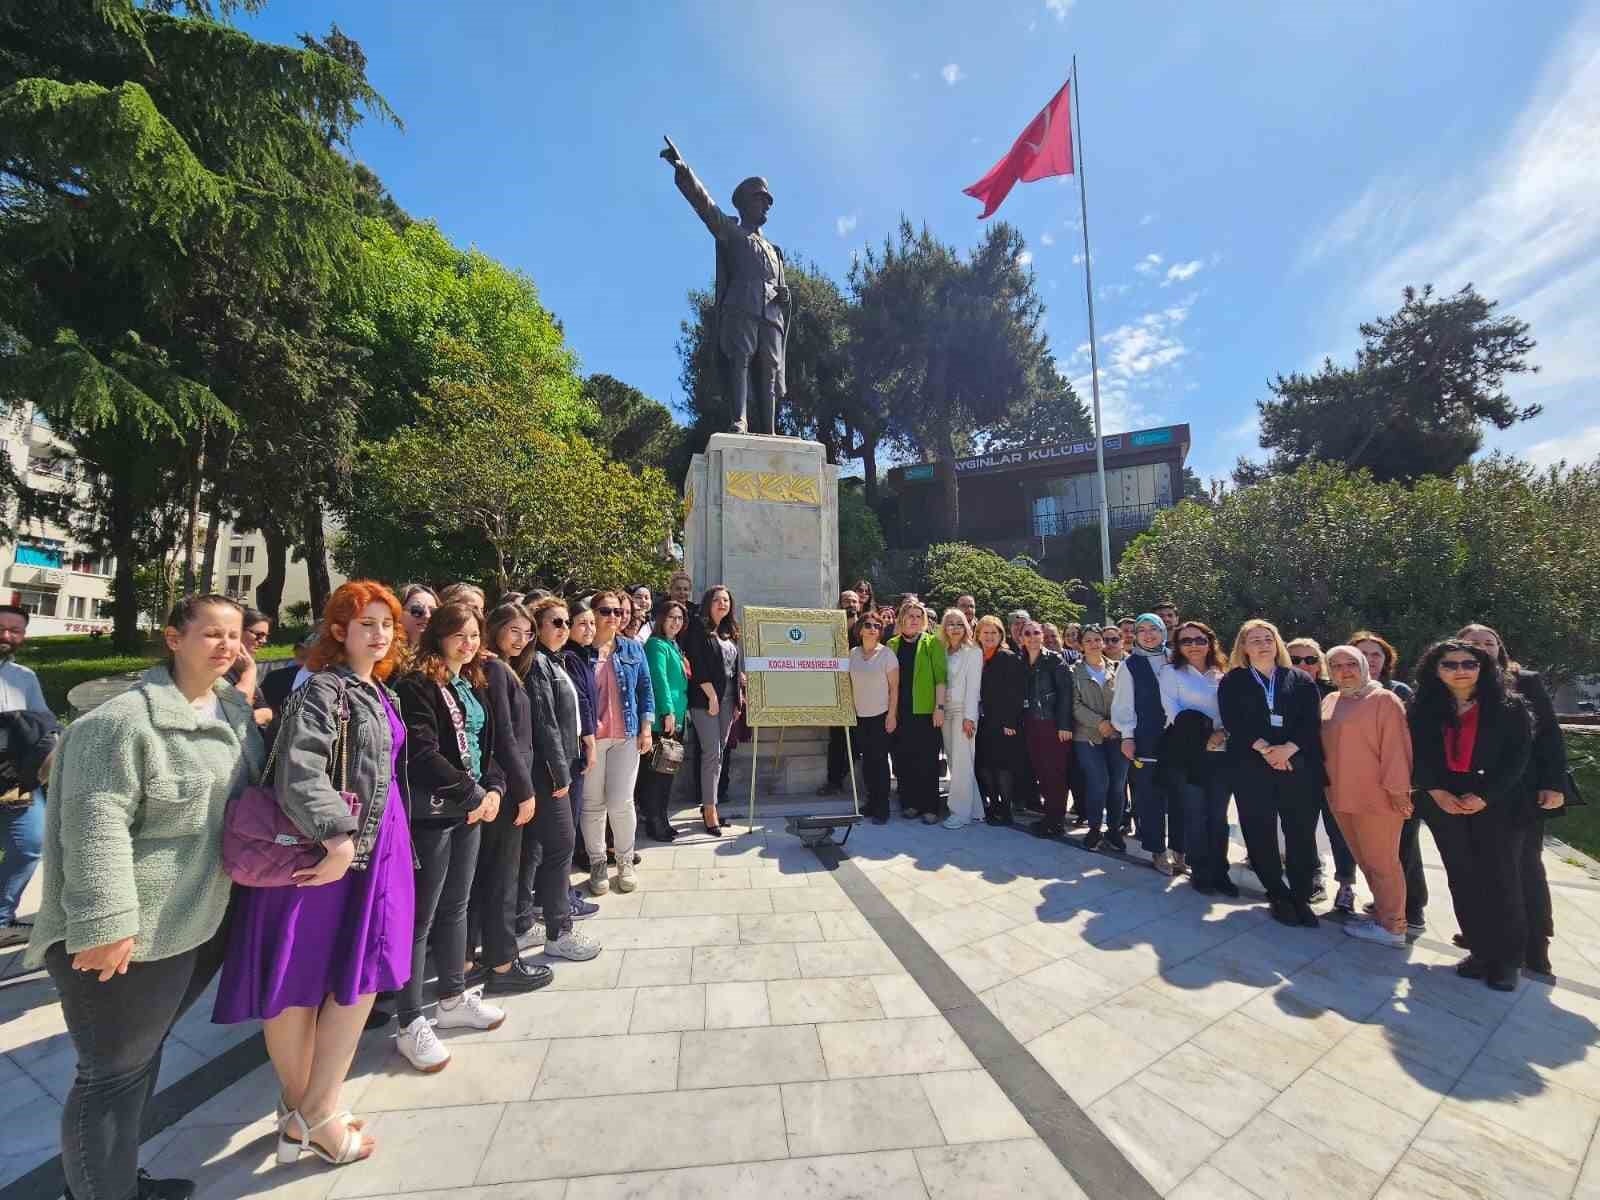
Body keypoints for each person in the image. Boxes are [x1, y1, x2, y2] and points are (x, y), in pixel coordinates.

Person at [28, 596, 264, 1198]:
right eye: (210, 633)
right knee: (110, 1075)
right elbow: (91, 827)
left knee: (139, 1064)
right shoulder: (117, 724)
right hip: (127, 937)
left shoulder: (235, 713)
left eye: (234, 636)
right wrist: (106, 925)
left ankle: (115, 1180)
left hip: (195, 923)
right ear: (172, 638)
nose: (225, 646)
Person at [215, 582, 414, 1165]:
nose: (379, 635)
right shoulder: (323, 690)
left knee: (356, 973)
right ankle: (313, 1111)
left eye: (386, 624)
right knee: (301, 980)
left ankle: (306, 1110)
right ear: (338, 630)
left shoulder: (376, 690)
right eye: (366, 624)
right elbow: (299, 772)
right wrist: (335, 839)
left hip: (374, 845)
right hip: (334, 849)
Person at [393, 604, 508, 1072]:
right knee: (420, 917)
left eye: (474, 634)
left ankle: (452, 997)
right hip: (435, 813)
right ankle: (408, 1021)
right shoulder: (417, 684)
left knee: (456, 906)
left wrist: (495, 787)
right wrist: (472, 792)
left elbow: (488, 745)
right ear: (438, 637)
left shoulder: (473, 683)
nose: (468, 642)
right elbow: (421, 752)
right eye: (458, 635)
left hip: (471, 811)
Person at [1410, 639, 1533, 991]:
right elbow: (1416, 754)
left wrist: (1484, 797)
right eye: (1450, 664)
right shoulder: (1422, 707)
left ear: (1482, 667)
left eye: (1468, 663)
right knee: (1462, 878)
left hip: (1497, 805)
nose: (1459, 670)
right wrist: (1436, 792)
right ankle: (1479, 950)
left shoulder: (1509, 706)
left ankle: (1507, 961)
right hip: (1445, 803)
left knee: (1501, 881)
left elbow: (1517, 759)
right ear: (1435, 669)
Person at [1458, 623, 1567, 975]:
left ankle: (1535, 945)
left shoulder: (1525, 681)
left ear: (1499, 648)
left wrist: (1553, 783)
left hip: (1520, 791)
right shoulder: (1455, 682)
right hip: (1473, 794)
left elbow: (1549, 734)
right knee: (1486, 869)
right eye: (1471, 642)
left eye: (1488, 642)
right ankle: (1493, 936)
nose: (1480, 647)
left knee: (1524, 869)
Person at [1219, 619, 1326, 928]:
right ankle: (1277, 893)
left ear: (1277, 643)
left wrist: (1287, 749)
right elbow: (1233, 721)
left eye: (1268, 638)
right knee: (1259, 829)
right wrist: (1267, 750)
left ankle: (1301, 895)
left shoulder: (1299, 680)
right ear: (1244, 648)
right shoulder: (1233, 681)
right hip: (1251, 765)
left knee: (1300, 833)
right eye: (1254, 640)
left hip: (1296, 765)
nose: (1263, 644)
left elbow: (1311, 723)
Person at [1320, 645, 1414, 948]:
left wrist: (1399, 792)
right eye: (1336, 665)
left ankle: (1394, 927)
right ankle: (1382, 915)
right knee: (1365, 860)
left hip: (1377, 797)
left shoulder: (1383, 700)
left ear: (1363, 666)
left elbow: (1396, 749)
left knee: (1383, 862)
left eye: (1351, 664)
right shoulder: (1331, 700)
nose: (1344, 671)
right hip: (1340, 794)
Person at [518, 597, 600, 943]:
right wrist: (560, 773)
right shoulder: (537, 664)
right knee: (561, 846)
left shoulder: (555, 661)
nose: (564, 629)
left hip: (562, 763)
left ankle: (524, 922)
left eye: (567, 622)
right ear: (537, 626)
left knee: (539, 847)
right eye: (557, 622)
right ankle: (560, 931)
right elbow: (545, 724)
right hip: (553, 771)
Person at [1350, 629, 1425, 933]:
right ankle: (1388, 904)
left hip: (1397, 784)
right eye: (1362, 655)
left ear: (1387, 659)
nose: (1370, 660)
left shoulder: (1399, 693)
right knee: (1376, 851)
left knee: (1403, 847)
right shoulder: (1346, 693)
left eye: (1376, 654)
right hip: (1361, 786)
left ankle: (1412, 910)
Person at [581, 590, 655, 881]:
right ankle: (598, 861)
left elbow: (645, 690)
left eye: (617, 611)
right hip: (592, 739)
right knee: (593, 804)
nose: (613, 616)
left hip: (627, 734)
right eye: (605, 611)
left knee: (621, 802)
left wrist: (647, 727)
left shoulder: (633, 649)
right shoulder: (578, 652)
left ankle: (625, 861)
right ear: (593, 613)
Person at [1160, 621, 1235, 894]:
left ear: (1210, 642)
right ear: (1178, 646)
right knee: (1195, 814)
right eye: (1186, 640)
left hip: (1222, 752)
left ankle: (1220, 872)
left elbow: (1234, 710)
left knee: (1218, 816)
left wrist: (1223, 732)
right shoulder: (1171, 672)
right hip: (1188, 753)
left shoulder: (1224, 672)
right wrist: (1208, 734)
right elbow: (1173, 712)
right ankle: (1201, 870)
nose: (1193, 645)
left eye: (1199, 640)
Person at [1286, 637, 1357, 910]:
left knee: (1338, 830)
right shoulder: (1281, 691)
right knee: (1303, 829)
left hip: (1335, 772)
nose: (1303, 665)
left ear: (1321, 663)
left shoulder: (1336, 692)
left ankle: (1346, 886)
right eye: (1295, 659)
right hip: (1298, 772)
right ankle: (1312, 877)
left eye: (1310, 659)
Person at [0, 604, 53, 948]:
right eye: (1, 628)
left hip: (13, 778)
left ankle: (2, 919)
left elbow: (43, 723)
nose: (6, 636)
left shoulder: (24, 677)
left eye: (14, 631)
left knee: (30, 843)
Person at [1112, 614, 1182, 873]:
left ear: (1164, 631)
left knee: (1178, 796)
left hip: (1178, 738)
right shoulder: (1130, 665)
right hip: (1146, 737)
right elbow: (1123, 704)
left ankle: (1180, 850)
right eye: (1142, 630)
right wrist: (1127, 736)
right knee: (1151, 797)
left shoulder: (1176, 658)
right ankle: (1157, 851)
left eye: (1154, 629)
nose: (1149, 634)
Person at [679, 586, 741, 836]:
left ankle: (710, 803)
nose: (722, 604)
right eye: (717, 600)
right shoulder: (698, 629)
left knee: (720, 753)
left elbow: (735, 667)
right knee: (711, 754)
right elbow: (697, 664)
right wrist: (712, 695)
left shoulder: (729, 632)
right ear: (708, 603)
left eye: (726, 600)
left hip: (728, 701)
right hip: (706, 700)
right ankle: (709, 810)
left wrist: (738, 699)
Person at [889, 602, 948, 823]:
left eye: (918, 616)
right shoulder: (892, 644)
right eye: (910, 615)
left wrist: (939, 708)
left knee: (928, 760)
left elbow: (941, 679)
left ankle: (930, 807)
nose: (914, 620)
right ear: (902, 618)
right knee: (904, 759)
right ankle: (910, 803)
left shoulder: (933, 643)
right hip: (900, 711)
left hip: (926, 711)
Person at [1072, 626, 1127, 852]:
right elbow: (1074, 704)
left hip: (1117, 734)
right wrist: (1099, 722)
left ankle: (1114, 829)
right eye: (1089, 640)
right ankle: (1094, 828)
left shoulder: (1118, 669)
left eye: (1098, 639)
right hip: (1088, 736)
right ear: (1081, 645)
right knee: (1099, 782)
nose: (1094, 643)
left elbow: (1125, 700)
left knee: (1117, 785)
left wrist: (1115, 724)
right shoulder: (1073, 671)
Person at [1020, 620, 1074, 838]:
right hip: (1031, 723)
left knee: (1056, 773)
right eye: (1027, 633)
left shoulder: (1054, 660)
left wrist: (1064, 725)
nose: (1032, 637)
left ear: (1042, 635)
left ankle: (1056, 820)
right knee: (1042, 771)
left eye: (1036, 633)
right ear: (1021, 638)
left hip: (1052, 723)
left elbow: (1065, 695)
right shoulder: (1020, 660)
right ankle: (1050, 816)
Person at [642, 600, 690, 841]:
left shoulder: (674, 645)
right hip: (665, 720)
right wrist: (668, 711)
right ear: (661, 618)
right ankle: (654, 822)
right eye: (671, 617)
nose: (676, 622)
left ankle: (662, 818)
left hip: (678, 719)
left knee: (667, 774)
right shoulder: (656, 645)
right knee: (657, 776)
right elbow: (658, 680)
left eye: (680, 618)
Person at [849, 610, 899, 824]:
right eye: (868, 625)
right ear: (860, 629)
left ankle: (882, 808)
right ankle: (870, 802)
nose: (872, 629)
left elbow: (894, 688)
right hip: (860, 716)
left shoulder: (887, 654)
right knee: (866, 762)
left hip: (881, 715)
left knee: (879, 763)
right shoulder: (852, 654)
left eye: (877, 626)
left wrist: (892, 715)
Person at [975, 616, 1026, 825]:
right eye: (985, 633)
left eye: (993, 633)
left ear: (1000, 635)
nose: (989, 637)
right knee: (985, 764)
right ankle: (993, 804)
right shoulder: (976, 656)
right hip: (983, 721)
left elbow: (1016, 693)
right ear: (978, 635)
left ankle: (1005, 809)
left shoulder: (1007, 657)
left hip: (1003, 722)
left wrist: (1011, 723)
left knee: (1003, 766)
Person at [560, 602, 599, 871]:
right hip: (577, 743)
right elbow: (581, 701)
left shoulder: (582, 654)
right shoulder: (570, 658)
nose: (589, 629)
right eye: (582, 623)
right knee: (571, 813)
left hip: (582, 740)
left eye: (591, 623)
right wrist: (590, 739)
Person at [938, 608, 982, 828]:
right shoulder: (942, 650)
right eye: (950, 623)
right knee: (956, 762)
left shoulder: (973, 651)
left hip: (963, 711)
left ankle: (960, 813)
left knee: (963, 761)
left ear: (966, 626)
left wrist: (970, 718)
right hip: (945, 711)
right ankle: (975, 809)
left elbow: (974, 688)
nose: (954, 628)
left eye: (958, 623)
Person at [820, 589, 864, 797]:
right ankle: (834, 781)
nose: (850, 604)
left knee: (857, 742)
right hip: (836, 694)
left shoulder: (867, 629)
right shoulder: (830, 629)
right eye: (846, 601)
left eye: (854, 601)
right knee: (836, 740)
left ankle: (848, 776)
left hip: (862, 695)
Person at [398, 585, 439, 652]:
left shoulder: (444, 657)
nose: (427, 616)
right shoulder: (382, 654)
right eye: (417, 609)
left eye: (433, 611)